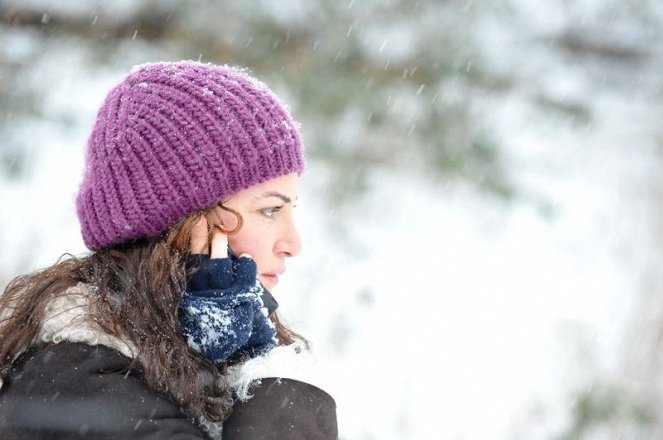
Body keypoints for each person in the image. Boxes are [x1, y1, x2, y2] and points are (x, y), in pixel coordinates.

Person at [0, 61, 338, 439]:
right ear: (185, 222)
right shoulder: (80, 378)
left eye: (292, 208)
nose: (294, 244)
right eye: (270, 209)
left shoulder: (186, 347)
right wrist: (260, 370)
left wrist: (234, 360)